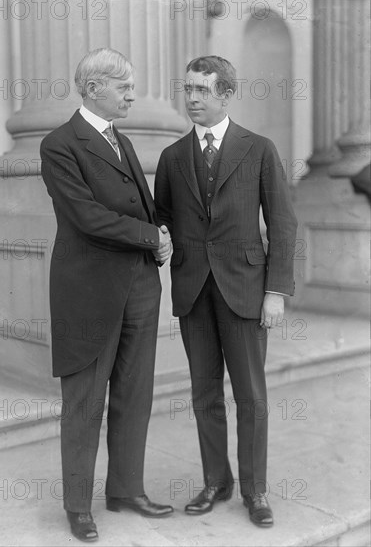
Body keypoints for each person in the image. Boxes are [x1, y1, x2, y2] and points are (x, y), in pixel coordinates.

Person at [154, 55, 297, 527]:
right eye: (188, 89)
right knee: (204, 393)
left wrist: (276, 291)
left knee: (251, 396)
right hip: (194, 288)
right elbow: (165, 217)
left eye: (201, 89)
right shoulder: (174, 157)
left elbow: (282, 222)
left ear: (226, 93)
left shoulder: (258, 149)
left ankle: (254, 489)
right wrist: (163, 243)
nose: (191, 98)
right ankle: (217, 480)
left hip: (246, 289)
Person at [40, 48, 173, 543]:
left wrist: (162, 231)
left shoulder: (122, 140)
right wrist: (149, 236)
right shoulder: (59, 144)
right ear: (93, 87)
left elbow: (145, 205)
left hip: (139, 284)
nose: (132, 94)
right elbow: (85, 217)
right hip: (89, 291)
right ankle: (78, 505)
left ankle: (125, 490)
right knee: (84, 402)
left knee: (135, 394)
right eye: (124, 86)